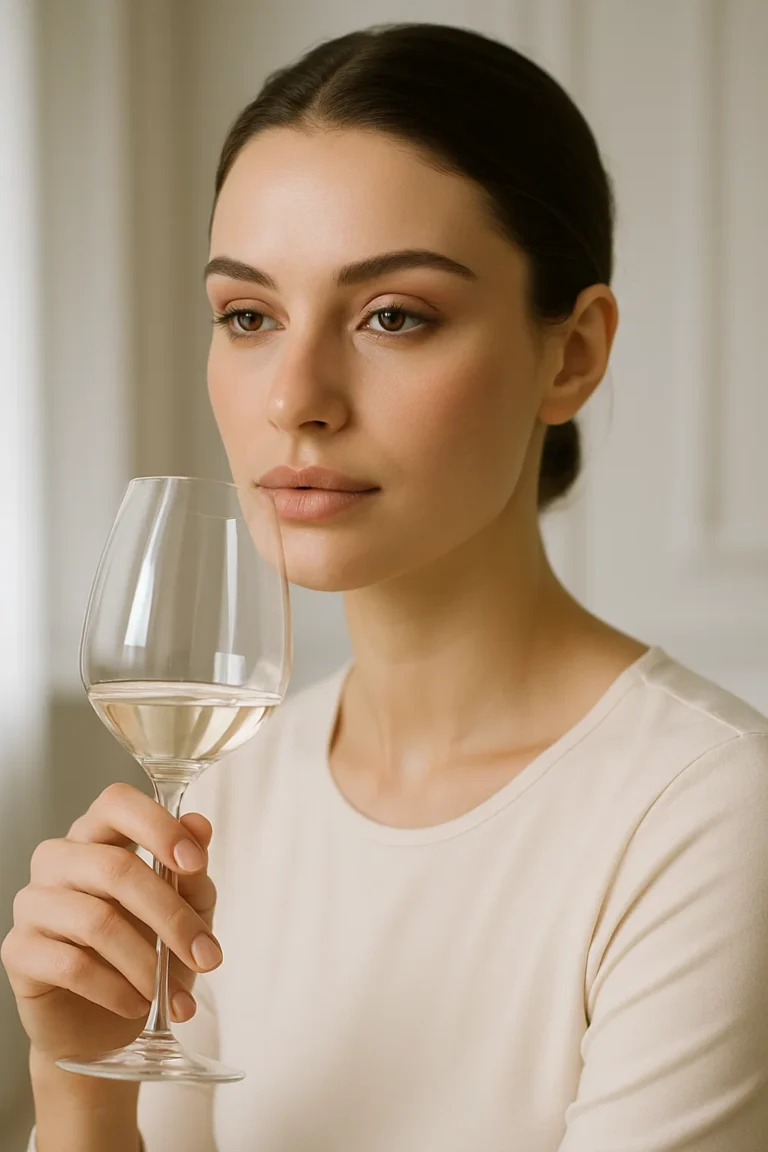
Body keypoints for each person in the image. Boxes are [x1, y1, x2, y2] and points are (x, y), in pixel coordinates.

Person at [4, 21, 768, 1152]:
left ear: (572, 354)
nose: (294, 398)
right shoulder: (235, 799)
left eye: (393, 316)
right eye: (249, 317)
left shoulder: (707, 816)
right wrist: (83, 1089)